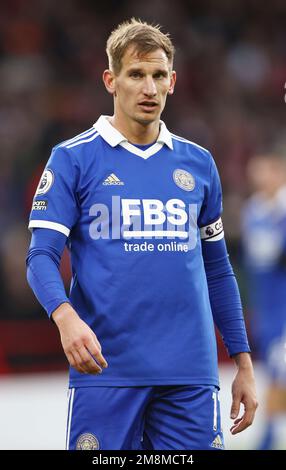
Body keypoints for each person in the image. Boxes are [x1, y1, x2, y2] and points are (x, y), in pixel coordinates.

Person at [26, 18, 257, 450]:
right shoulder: (72, 159)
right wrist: (65, 317)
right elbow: (40, 256)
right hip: (106, 371)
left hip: (189, 374)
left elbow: (218, 270)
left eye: (157, 76)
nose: (148, 88)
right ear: (111, 81)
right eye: (135, 75)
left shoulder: (199, 163)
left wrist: (243, 361)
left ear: (172, 81)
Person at [241, 152, 286, 450]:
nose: (260, 178)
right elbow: (259, 257)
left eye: (265, 171)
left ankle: (268, 437)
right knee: (274, 370)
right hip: (265, 306)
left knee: (280, 368)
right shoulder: (253, 211)